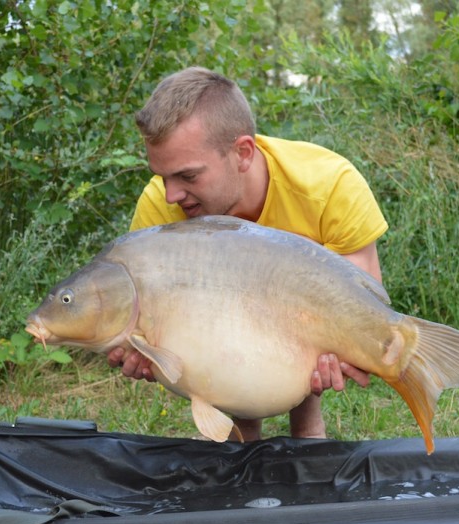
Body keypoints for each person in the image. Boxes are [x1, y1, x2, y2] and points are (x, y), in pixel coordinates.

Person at [107, 66, 388, 441]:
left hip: (303, 333)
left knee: (296, 294)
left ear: (242, 153)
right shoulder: (159, 206)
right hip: (221, 332)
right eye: (162, 176)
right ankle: (241, 432)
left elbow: (365, 307)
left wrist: (344, 353)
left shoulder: (330, 183)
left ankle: (306, 426)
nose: (171, 194)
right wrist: (141, 348)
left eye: (188, 177)